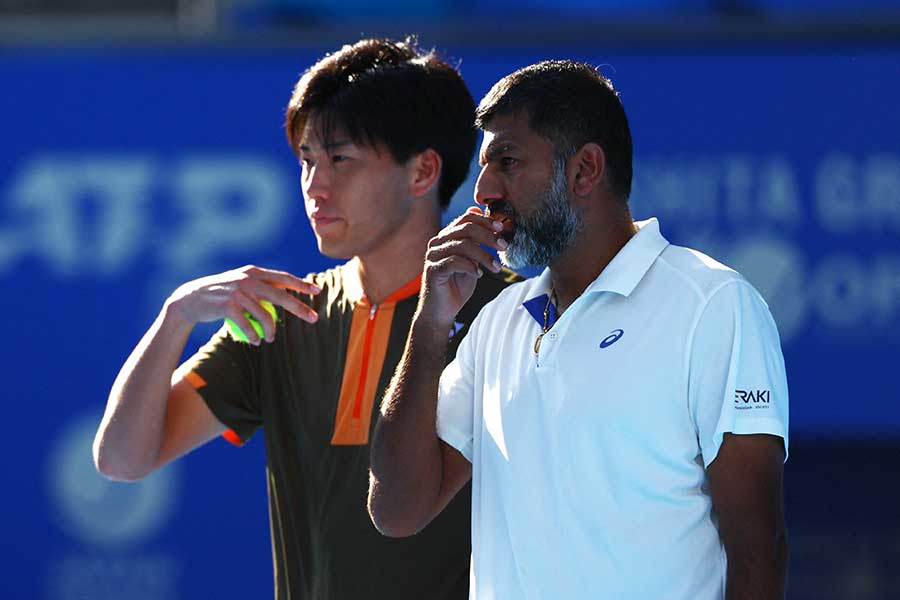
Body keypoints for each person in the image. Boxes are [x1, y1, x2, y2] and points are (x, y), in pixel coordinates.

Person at [93, 38, 518, 600]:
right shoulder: (284, 316)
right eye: (307, 160)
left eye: (340, 159)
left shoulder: (510, 315)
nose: (316, 187)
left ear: (423, 172)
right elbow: (122, 458)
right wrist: (177, 314)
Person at [369, 60, 790, 599]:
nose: (484, 191)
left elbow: (758, 550)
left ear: (585, 170)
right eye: (483, 166)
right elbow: (396, 510)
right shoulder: (495, 320)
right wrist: (429, 327)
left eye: (508, 161)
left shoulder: (714, 306)